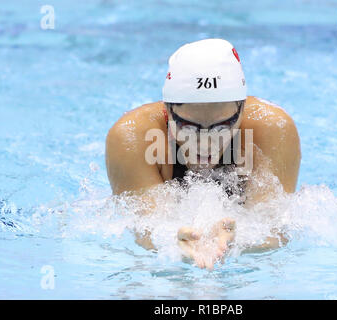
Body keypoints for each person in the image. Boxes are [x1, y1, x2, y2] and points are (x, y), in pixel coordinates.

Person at [106, 39, 301, 269]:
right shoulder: (132, 136)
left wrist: (240, 240)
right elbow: (145, 229)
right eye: (189, 126)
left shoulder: (272, 129)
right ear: (167, 110)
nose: (206, 144)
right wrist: (172, 243)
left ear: (242, 111)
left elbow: (274, 231)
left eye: (222, 126)